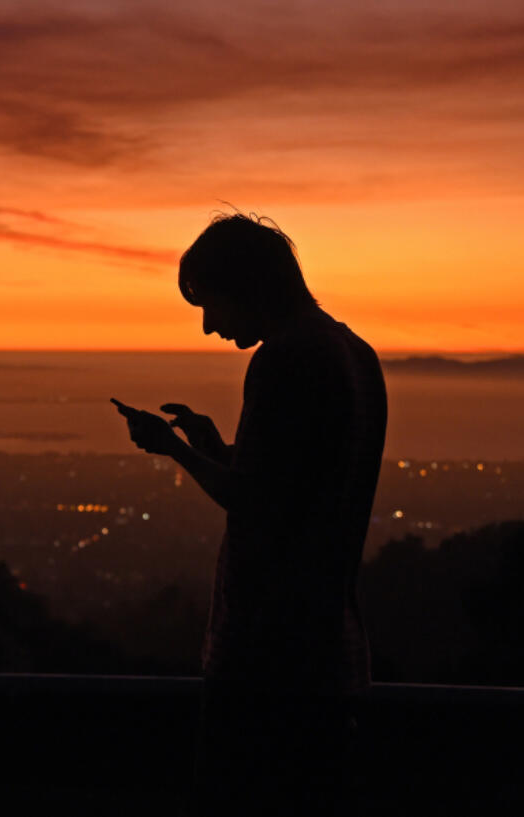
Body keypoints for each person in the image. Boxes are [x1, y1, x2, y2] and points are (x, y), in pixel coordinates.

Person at [116, 213, 387, 815]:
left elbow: (258, 502)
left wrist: (176, 451)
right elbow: (303, 483)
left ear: (247, 287)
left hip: (268, 661)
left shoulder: (286, 359)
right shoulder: (354, 353)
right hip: (331, 653)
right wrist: (217, 447)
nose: (211, 327)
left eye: (211, 306)